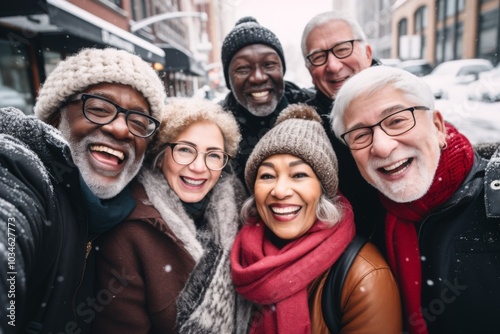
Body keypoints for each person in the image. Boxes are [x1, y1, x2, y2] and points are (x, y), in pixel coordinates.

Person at [0, 47, 166, 333]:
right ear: (55, 117)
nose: (121, 130)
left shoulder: (137, 212)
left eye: (139, 122)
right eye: (99, 108)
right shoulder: (24, 174)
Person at [331, 65, 500, 334]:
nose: (383, 146)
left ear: (437, 126)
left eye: (397, 120)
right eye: (360, 135)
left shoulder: (493, 203)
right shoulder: (363, 221)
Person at [231, 103, 402, 333]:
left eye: (299, 175)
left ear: (323, 190)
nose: (280, 191)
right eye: (268, 175)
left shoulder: (364, 275)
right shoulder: (238, 257)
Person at [93, 98, 250, 333]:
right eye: (185, 150)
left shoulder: (240, 215)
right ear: (160, 154)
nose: (199, 167)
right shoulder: (129, 233)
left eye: (214, 155)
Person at [300, 10, 386, 251]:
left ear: (367, 52)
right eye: (318, 56)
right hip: (341, 261)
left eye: (343, 49)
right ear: (309, 69)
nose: (333, 65)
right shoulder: (305, 126)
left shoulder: (403, 102)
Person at [220, 16, 313, 184]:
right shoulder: (213, 129)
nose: (258, 77)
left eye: (269, 64)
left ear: (282, 70)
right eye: (243, 68)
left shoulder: (314, 109)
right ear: (229, 80)